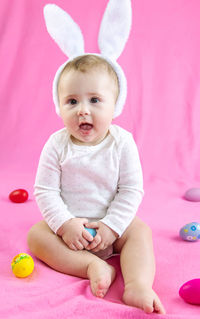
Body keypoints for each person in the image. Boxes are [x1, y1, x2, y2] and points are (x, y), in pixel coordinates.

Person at [27, 54, 165, 314]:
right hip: (70, 229)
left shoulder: (122, 143)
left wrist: (112, 226)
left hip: (112, 225)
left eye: (94, 100)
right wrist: (65, 224)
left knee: (140, 232)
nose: (82, 110)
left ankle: (137, 285)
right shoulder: (56, 145)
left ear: (115, 106)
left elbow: (131, 190)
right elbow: (45, 191)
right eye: (71, 101)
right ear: (59, 107)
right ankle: (91, 265)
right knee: (36, 236)